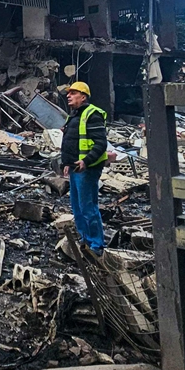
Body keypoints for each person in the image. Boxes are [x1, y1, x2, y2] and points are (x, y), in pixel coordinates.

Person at [61, 81, 111, 254]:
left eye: (73, 93)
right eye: (69, 93)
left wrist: (86, 161)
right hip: (76, 168)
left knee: (88, 206)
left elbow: (100, 143)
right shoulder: (73, 116)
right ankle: (85, 239)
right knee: (77, 206)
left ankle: (97, 245)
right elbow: (71, 142)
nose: (69, 95)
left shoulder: (92, 114)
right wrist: (67, 163)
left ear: (83, 97)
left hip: (87, 169)